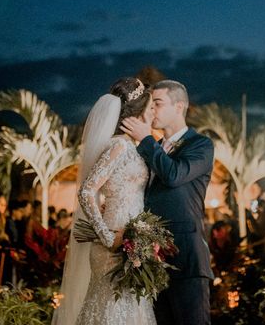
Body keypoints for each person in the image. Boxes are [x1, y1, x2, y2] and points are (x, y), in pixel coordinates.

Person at [52, 77, 155, 325]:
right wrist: (107, 236)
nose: (153, 112)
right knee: (109, 306)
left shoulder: (134, 146)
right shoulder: (118, 146)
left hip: (133, 239)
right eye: (151, 107)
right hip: (115, 240)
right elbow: (87, 191)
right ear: (138, 111)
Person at [122, 79, 215, 325]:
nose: (152, 110)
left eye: (158, 103)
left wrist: (146, 140)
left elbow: (174, 175)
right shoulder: (151, 148)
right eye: (150, 105)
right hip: (152, 261)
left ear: (180, 106)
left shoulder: (201, 145)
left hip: (186, 259)